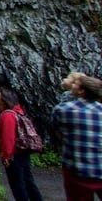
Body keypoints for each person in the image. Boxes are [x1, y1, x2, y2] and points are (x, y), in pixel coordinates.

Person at [52, 73, 102, 201]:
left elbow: (58, 133)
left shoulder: (62, 109)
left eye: (75, 84)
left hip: (76, 170)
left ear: (81, 91)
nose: (72, 85)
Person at [0, 87, 44, 201]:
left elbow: (8, 137)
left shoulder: (7, 115)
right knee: (28, 182)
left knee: (18, 185)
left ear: (4, 99)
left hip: (14, 155)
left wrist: (6, 155)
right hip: (23, 153)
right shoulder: (17, 112)